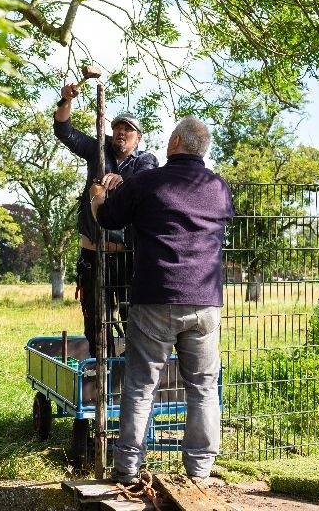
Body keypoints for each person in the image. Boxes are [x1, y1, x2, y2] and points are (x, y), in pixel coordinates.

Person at [89, 115, 234, 483]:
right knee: (202, 387)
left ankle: (127, 469)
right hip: (204, 301)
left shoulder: (147, 183)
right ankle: (200, 471)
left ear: (174, 144)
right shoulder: (219, 188)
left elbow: (107, 218)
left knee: (141, 385)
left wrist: (98, 197)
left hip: (155, 296)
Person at [54, 82, 159, 358]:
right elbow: (64, 132)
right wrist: (65, 101)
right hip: (92, 253)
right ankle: (103, 367)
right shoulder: (97, 151)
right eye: (117, 127)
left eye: (128, 129)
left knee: (130, 315)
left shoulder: (145, 161)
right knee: (96, 319)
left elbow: (148, 182)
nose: (121, 132)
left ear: (138, 138)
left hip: (125, 257)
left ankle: (130, 372)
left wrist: (124, 181)